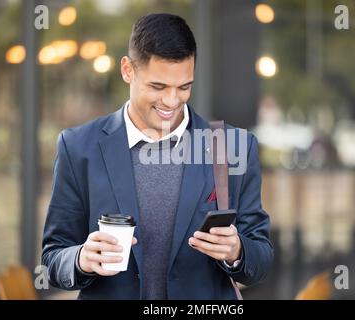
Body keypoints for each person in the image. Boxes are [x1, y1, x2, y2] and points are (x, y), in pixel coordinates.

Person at [41, 13, 273, 300]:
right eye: (158, 87)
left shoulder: (233, 145)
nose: (172, 101)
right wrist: (80, 259)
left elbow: (261, 259)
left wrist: (237, 251)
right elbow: (52, 259)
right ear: (128, 70)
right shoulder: (77, 148)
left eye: (184, 87)